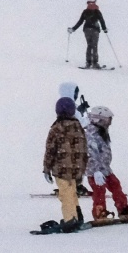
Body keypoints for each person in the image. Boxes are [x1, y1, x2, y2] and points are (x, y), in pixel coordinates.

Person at [41, 97, 88, 232]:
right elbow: (84, 148)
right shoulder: (78, 127)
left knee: (65, 194)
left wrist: (46, 169)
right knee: (71, 191)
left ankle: (70, 219)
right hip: (76, 168)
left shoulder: (56, 128)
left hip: (61, 168)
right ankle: (77, 216)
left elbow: (50, 150)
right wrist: (82, 167)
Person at [84, 105, 128, 223]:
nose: (109, 123)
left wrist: (104, 167)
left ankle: (123, 208)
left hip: (105, 169)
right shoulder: (90, 135)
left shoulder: (102, 133)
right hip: (95, 171)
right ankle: (99, 211)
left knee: (115, 185)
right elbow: (90, 154)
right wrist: (96, 171)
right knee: (99, 190)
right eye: (107, 120)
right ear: (99, 119)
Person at [70, 0, 107, 69]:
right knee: (94, 45)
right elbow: (102, 20)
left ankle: (88, 62)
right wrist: (104, 29)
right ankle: (95, 63)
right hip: (95, 29)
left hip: (86, 29)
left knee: (89, 45)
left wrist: (73, 29)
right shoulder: (97, 11)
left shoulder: (85, 11)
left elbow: (80, 21)